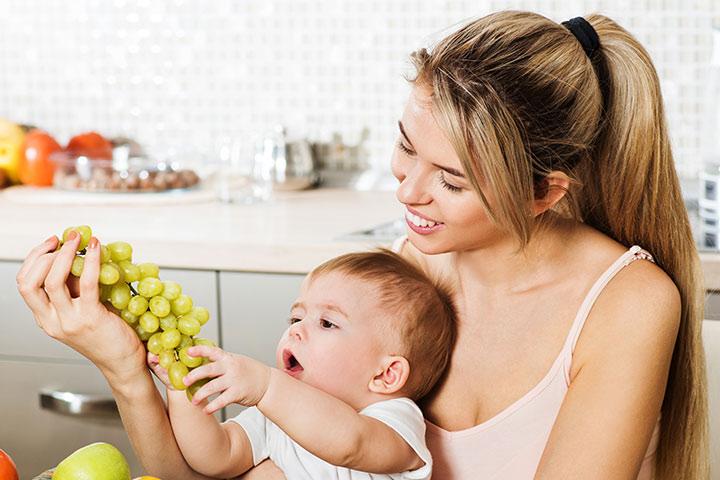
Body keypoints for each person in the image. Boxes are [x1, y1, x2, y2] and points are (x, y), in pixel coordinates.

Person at [16, 10, 708, 480]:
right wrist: (125, 364)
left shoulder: (627, 303)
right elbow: (204, 466)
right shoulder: (408, 276)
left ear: (543, 193)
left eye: (452, 181)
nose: (408, 193)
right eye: (406, 151)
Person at [145, 250, 456, 479]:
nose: (295, 329)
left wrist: (267, 386)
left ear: (386, 375)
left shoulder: (395, 420)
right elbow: (217, 456)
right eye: (296, 317)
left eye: (327, 323)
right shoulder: (277, 413)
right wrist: (181, 389)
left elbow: (351, 443)